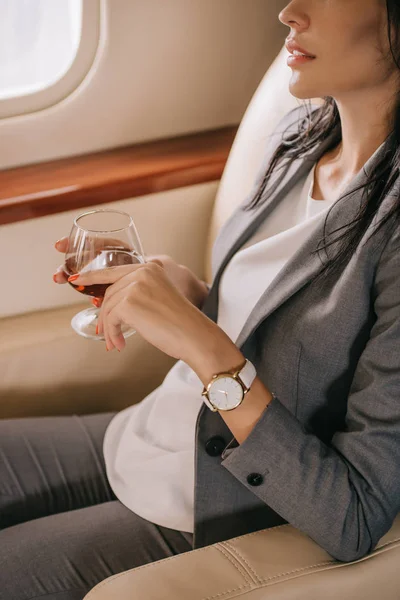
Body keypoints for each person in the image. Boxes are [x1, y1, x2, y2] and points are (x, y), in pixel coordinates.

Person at [2, 1, 400, 598]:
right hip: (154, 428)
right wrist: (194, 297)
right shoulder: (301, 141)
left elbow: (354, 515)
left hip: (222, 488)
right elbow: (289, 332)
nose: (290, 12)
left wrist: (205, 346)